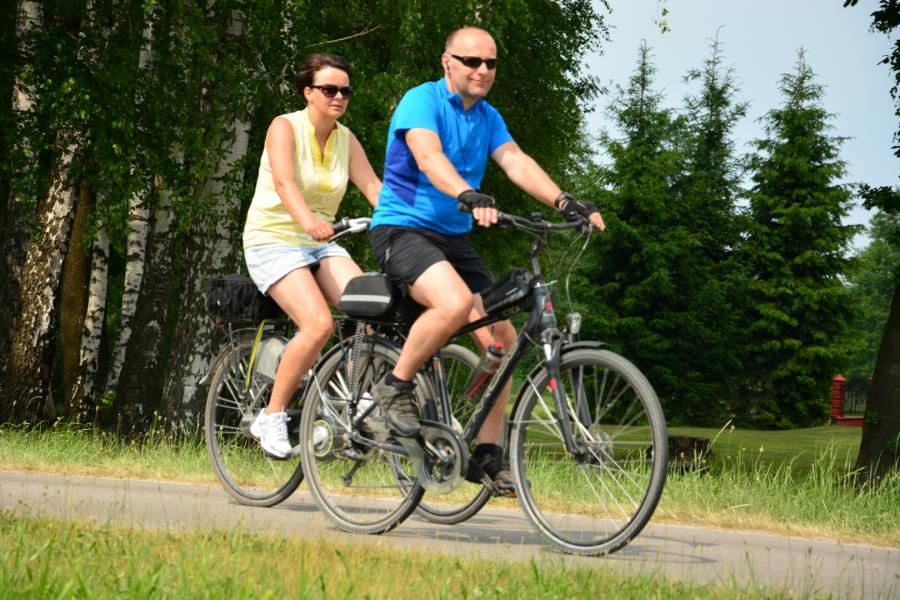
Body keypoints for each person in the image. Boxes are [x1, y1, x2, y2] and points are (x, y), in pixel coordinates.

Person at [369, 27, 605, 495]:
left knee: (504, 339)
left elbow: (515, 160)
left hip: (453, 239)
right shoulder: (422, 101)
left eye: (491, 63)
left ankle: (487, 452)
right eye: (472, 61)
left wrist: (564, 201)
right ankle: (394, 387)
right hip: (403, 229)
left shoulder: (487, 116)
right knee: (455, 303)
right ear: (447, 62)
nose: (482, 70)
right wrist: (467, 192)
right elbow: (428, 156)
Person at [243, 53, 381, 458]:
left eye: (345, 91)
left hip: (321, 242)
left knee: (371, 308)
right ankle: (271, 416)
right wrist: (308, 221)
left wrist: (407, 221)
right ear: (308, 92)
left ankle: (352, 404)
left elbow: (373, 186)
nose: (339, 97)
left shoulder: (345, 138)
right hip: (273, 239)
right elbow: (285, 183)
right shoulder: (285, 126)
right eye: (329, 89)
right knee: (318, 324)